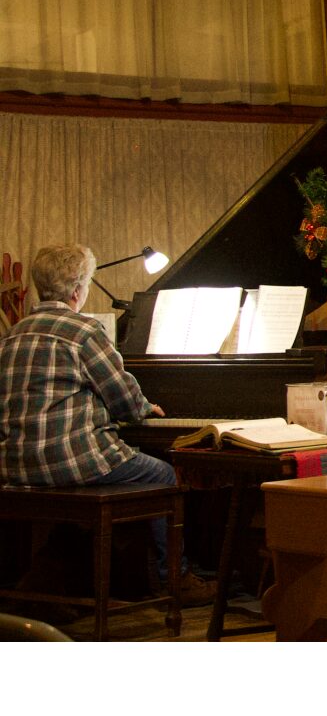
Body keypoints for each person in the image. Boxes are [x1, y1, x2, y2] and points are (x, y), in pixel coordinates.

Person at [0, 244, 216, 607]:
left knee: (85, 487)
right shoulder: (84, 331)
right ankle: (174, 579)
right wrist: (147, 407)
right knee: (163, 474)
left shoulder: (12, 335)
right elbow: (126, 402)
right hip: (69, 464)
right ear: (77, 291)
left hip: (14, 465)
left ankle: (47, 579)